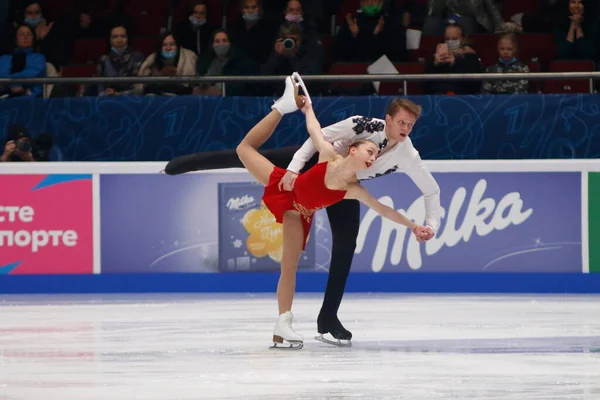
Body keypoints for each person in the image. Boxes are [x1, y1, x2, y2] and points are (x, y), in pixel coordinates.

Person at [164, 76, 442, 347]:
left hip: (343, 187)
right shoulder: (362, 125)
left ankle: (327, 318)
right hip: (315, 166)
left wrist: (425, 225)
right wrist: (295, 169)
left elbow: (423, 194)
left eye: (411, 124)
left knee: (345, 244)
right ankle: (187, 163)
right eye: (401, 122)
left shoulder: (406, 155)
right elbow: (318, 136)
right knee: (250, 155)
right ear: (389, 119)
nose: (406, 128)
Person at [236, 75, 431, 349]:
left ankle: (283, 324)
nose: (373, 159)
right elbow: (315, 129)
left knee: (288, 266)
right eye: (370, 151)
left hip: (298, 213)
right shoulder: (329, 155)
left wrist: (413, 226)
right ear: (353, 149)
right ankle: (281, 106)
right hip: (284, 185)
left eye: (375, 155)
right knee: (243, 149)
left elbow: (385, 210)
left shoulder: (353, 189)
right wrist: (305, 109)